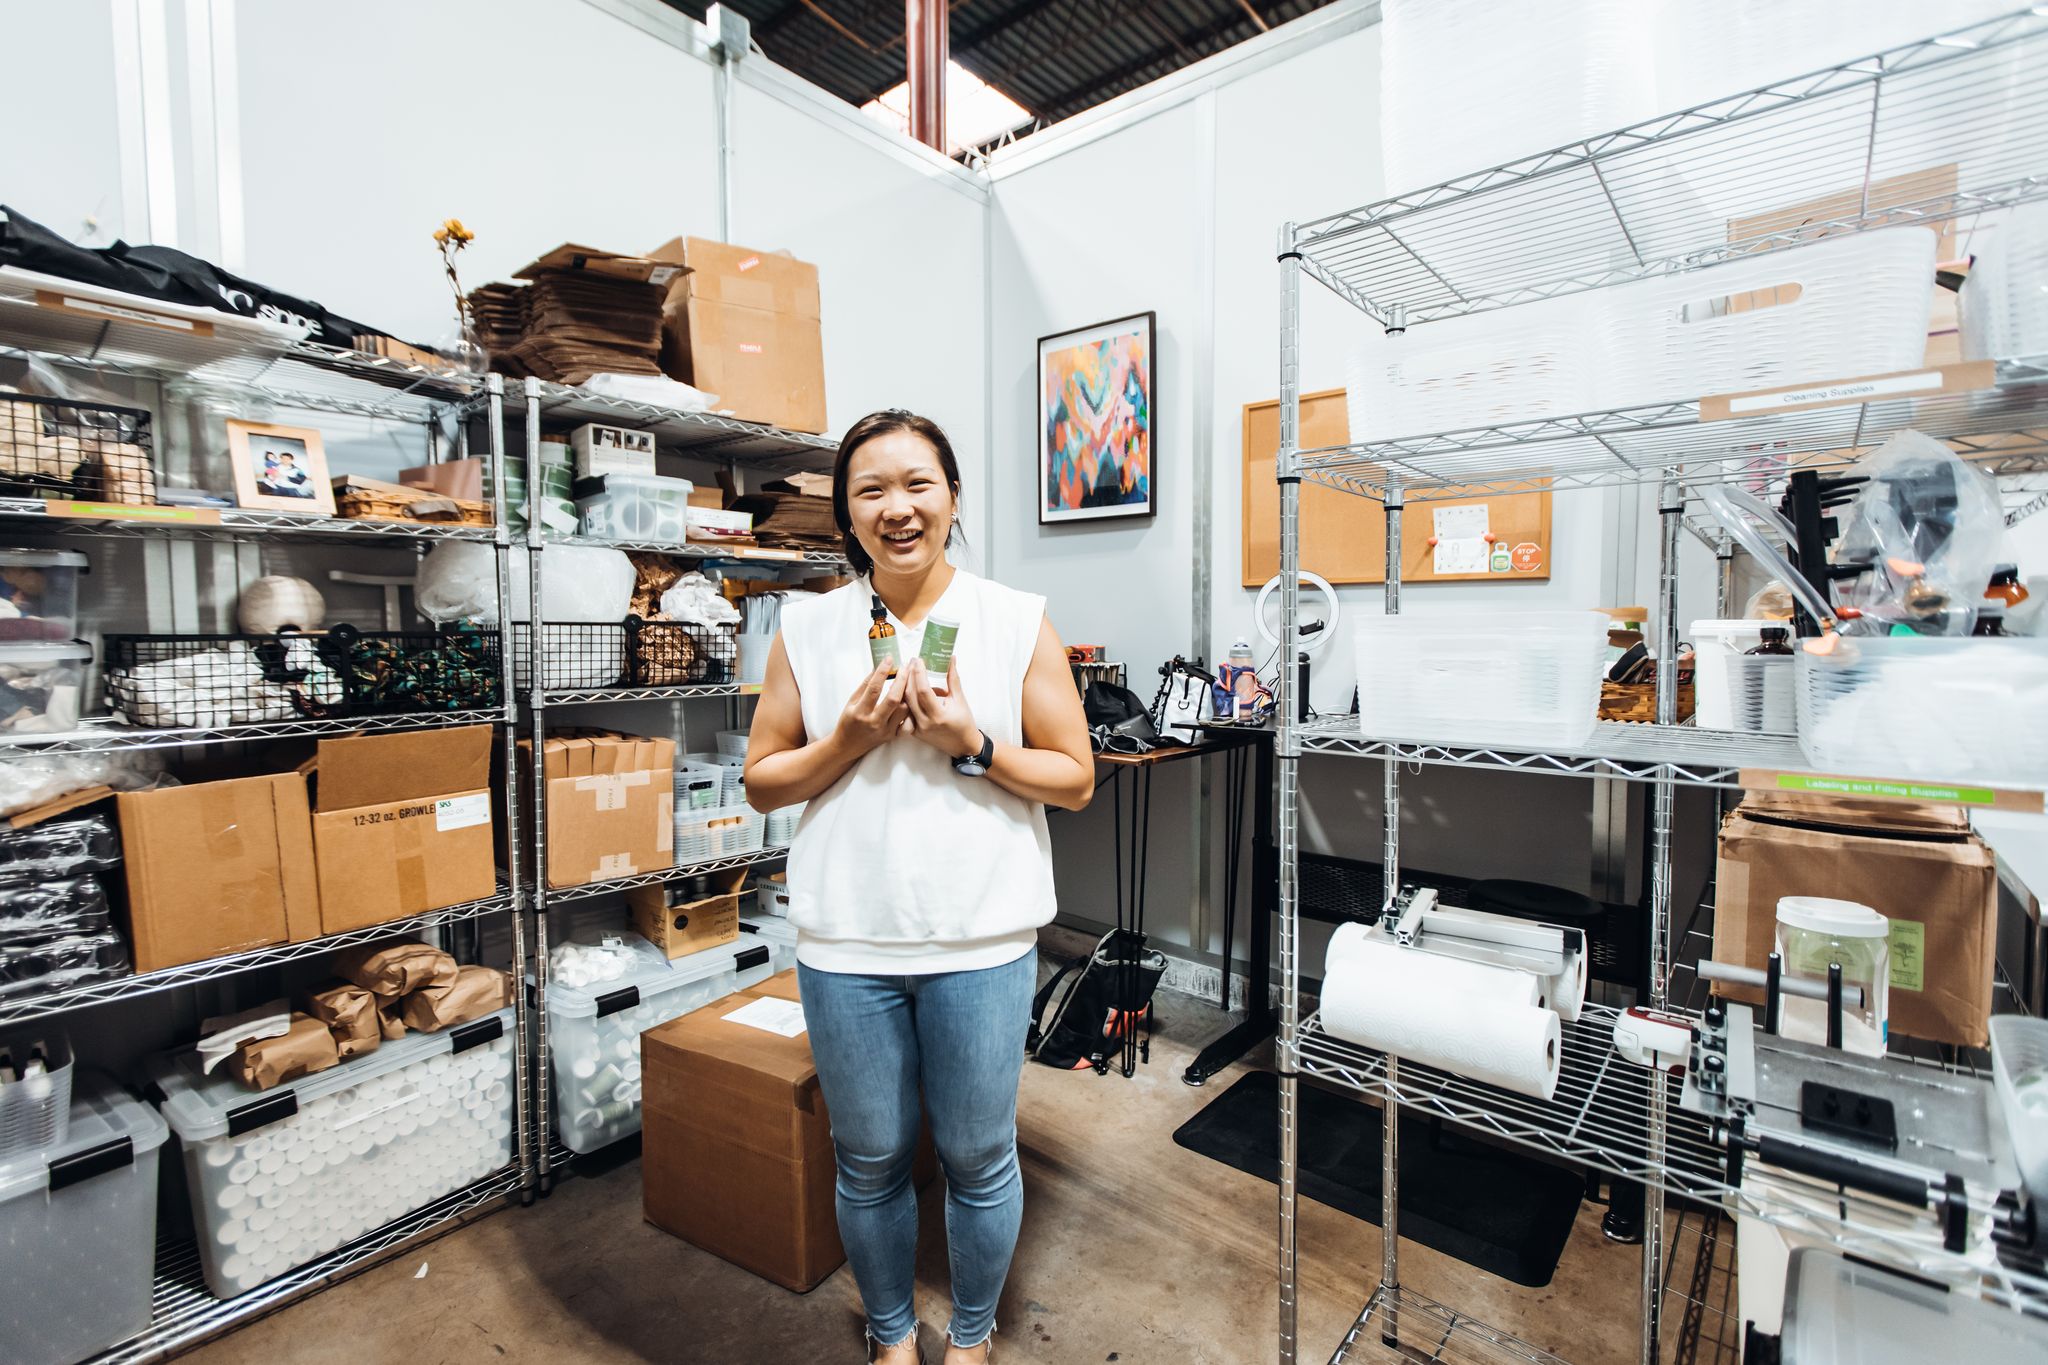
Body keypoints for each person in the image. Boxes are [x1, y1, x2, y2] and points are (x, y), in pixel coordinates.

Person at [745, 410, 1093, 1365]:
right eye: (871, 490)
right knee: (869, 1160)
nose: (897, 508)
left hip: (981, 940)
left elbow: (1075, 774)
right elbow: (763, 777)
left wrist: (973, 744)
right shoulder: (808, 627)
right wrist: (846, 740)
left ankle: (972, 1338)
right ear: (846, 515)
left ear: (951, 497)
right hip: (847, 944)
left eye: (917, 484)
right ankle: (893, 1335)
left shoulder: (1013, 617)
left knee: (981, 1157)